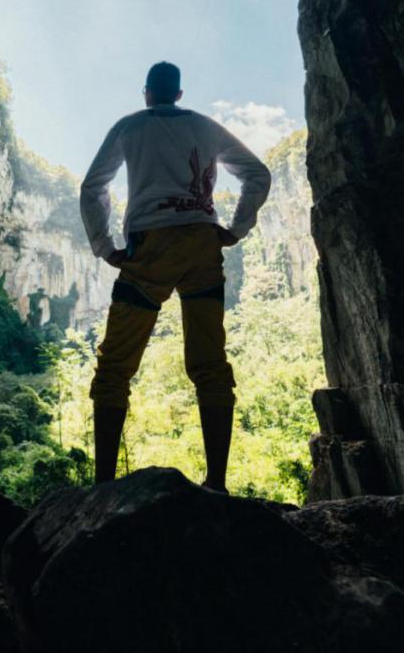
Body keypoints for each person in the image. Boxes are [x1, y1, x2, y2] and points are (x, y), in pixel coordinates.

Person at [79, 61, 271, 493]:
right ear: (179, 94)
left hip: (149, 249)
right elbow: (257, 174)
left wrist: (105, 246)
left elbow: (93, 186)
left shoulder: (129, 127)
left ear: (146, 93)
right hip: (201, 245)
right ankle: (217, 483)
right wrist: (235, 230)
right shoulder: (206, 127)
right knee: (210, 363)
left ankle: (103, 486)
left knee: (114, 368)